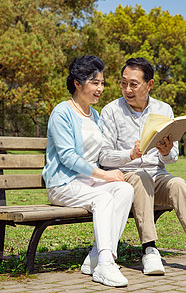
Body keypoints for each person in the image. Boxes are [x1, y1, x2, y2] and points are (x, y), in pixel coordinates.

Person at [98, 57, 186, 278]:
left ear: (149, 85)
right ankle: (149, 249)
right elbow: (103, 157)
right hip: (127, 177)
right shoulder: (111, 111)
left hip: (157, 176)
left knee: (178, 183)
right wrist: (130, 154)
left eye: (133, 84)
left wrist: (166, 151)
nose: (127, 89)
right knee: (141, 177)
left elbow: (173, 158)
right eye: (123, 83)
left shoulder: (163, 109)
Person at [42, 55, 134, 287]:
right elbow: (68, 157)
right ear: (77, 83)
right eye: (95, 83)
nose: (100, 88)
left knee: (124, 190)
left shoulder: (95, 116)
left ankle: (96, 256)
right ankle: (105, 263)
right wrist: (104, 175)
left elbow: (102, 154)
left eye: (102, 83)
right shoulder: (62, 113)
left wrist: (131, 155)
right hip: (63, 185)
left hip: (88, 183)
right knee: (103, 197)